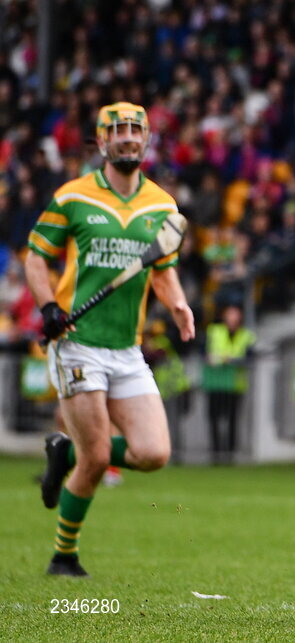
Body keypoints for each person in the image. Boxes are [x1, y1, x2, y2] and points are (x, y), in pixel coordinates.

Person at [25, 102, 195, 577]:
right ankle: (64, 555)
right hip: (76, 340)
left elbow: (162, 267)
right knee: (99, 456)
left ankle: (66, 452)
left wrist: (178, 303)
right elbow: (37, 258)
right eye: (116, 130)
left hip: (126, 347)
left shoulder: (162, 205)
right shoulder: (73, 197)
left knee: (153, 453)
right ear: (101, 142)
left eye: (135, 130)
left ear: (146, 141)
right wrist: (48, 308)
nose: (126, 137)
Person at [202, 304, 256, 463]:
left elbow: (250, 357)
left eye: (235, 314)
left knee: (232, 419)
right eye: (230, 314)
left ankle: (230, 454)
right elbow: (203, 352)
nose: (232, 318)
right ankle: (215, 454)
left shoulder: (246, 335)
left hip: (234, 384)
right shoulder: (214, 331)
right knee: (214, 418)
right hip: (215, 382)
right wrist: (210, 358)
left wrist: (231, 360)